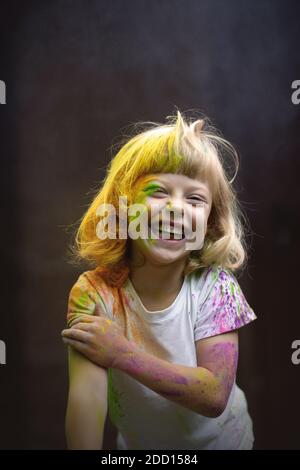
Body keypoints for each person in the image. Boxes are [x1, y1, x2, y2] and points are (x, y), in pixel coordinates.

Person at [62, 110, 257, 450]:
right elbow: (87, 401)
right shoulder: (94, 293)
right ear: (122, 207)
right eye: (157, 191)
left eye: (195, 198)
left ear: (209, 222)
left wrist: (121, 353)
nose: (176, 208)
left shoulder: (216, 289)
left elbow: (213, 396)